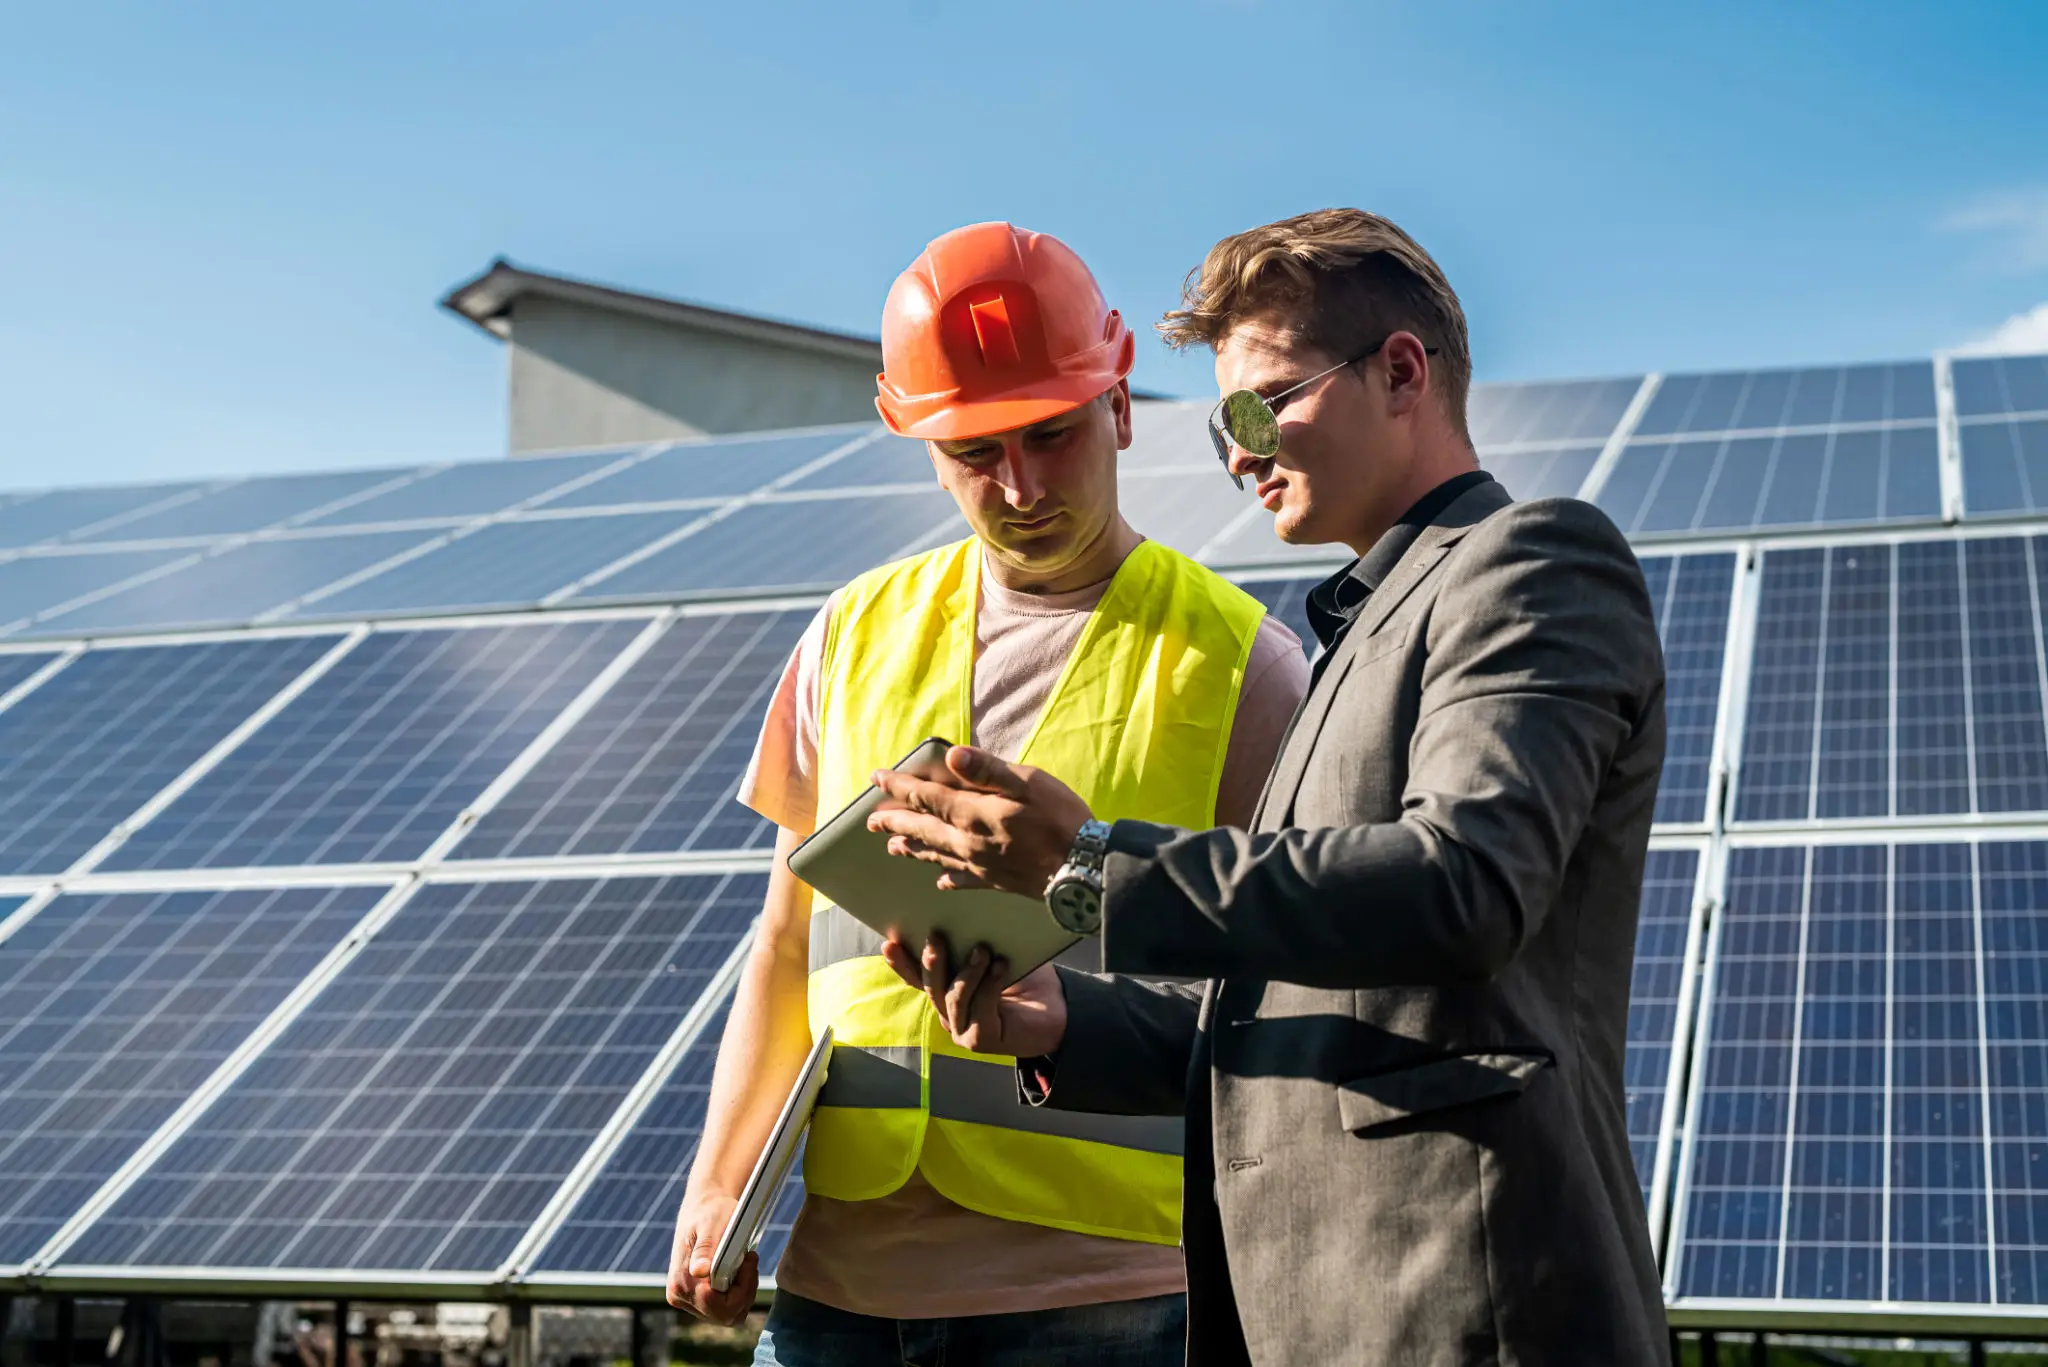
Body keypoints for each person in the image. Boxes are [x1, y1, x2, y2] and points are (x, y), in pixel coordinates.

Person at [868, 209, 1672, 1366]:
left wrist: (1088, 864)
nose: (1237, 454)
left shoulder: (1530, 559)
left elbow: (1465, 884)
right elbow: (1300, 997)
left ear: (1400, 371)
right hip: (1337, 1309)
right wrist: (1057, 1016)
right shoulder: (1358, 632)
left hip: (1461, 1303)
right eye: (1217, 426)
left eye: (1259, 406)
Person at [664, 221, 1309, 1367]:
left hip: (1112, 1299)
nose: (1017, 486)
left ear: (1118, 407)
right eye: (973, 451)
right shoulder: (845, 635)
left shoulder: (1243, 665)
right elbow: (783, 941)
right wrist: (720, 1178)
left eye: (1049, 436)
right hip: (836, 1295)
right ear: (912, 436)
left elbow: (1289, 988)